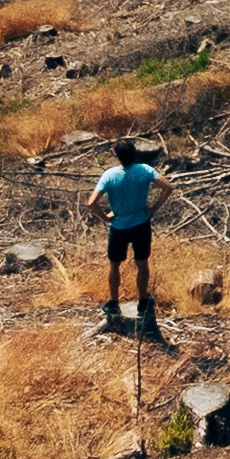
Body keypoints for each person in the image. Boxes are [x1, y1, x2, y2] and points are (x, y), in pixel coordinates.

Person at [86, 135, 163, 320]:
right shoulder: (144, 170)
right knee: (142, 263)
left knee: (114, 265)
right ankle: (143, 302)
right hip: (141, 224)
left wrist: (105, 217)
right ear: (135, 153)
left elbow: (91, 203)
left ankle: (113, 303)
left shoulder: (109, 175)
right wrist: (153, 208)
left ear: (116, 155)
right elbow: (168, 187)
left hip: (118, 227)